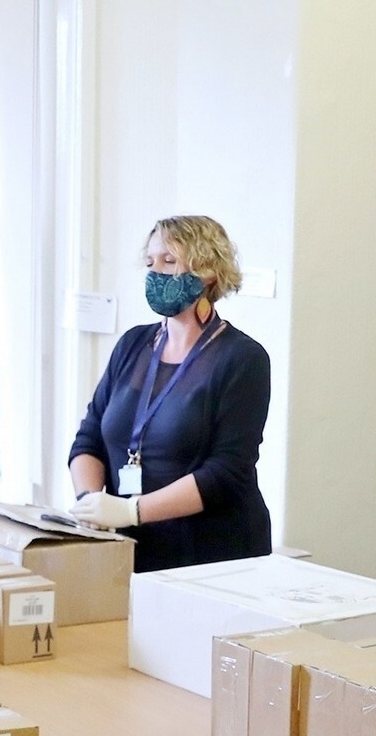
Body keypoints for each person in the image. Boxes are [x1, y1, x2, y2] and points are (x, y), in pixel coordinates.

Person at [68, 215, 273, 570]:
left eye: (169, 261)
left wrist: (132, 510)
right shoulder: (133, 344)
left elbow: (227, 472)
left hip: (212, 554)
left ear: (208, 273)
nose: (156, 273)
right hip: (130, 548)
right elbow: (89, 438)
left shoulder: (243, 358)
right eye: (150, 262)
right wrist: (90, 503)